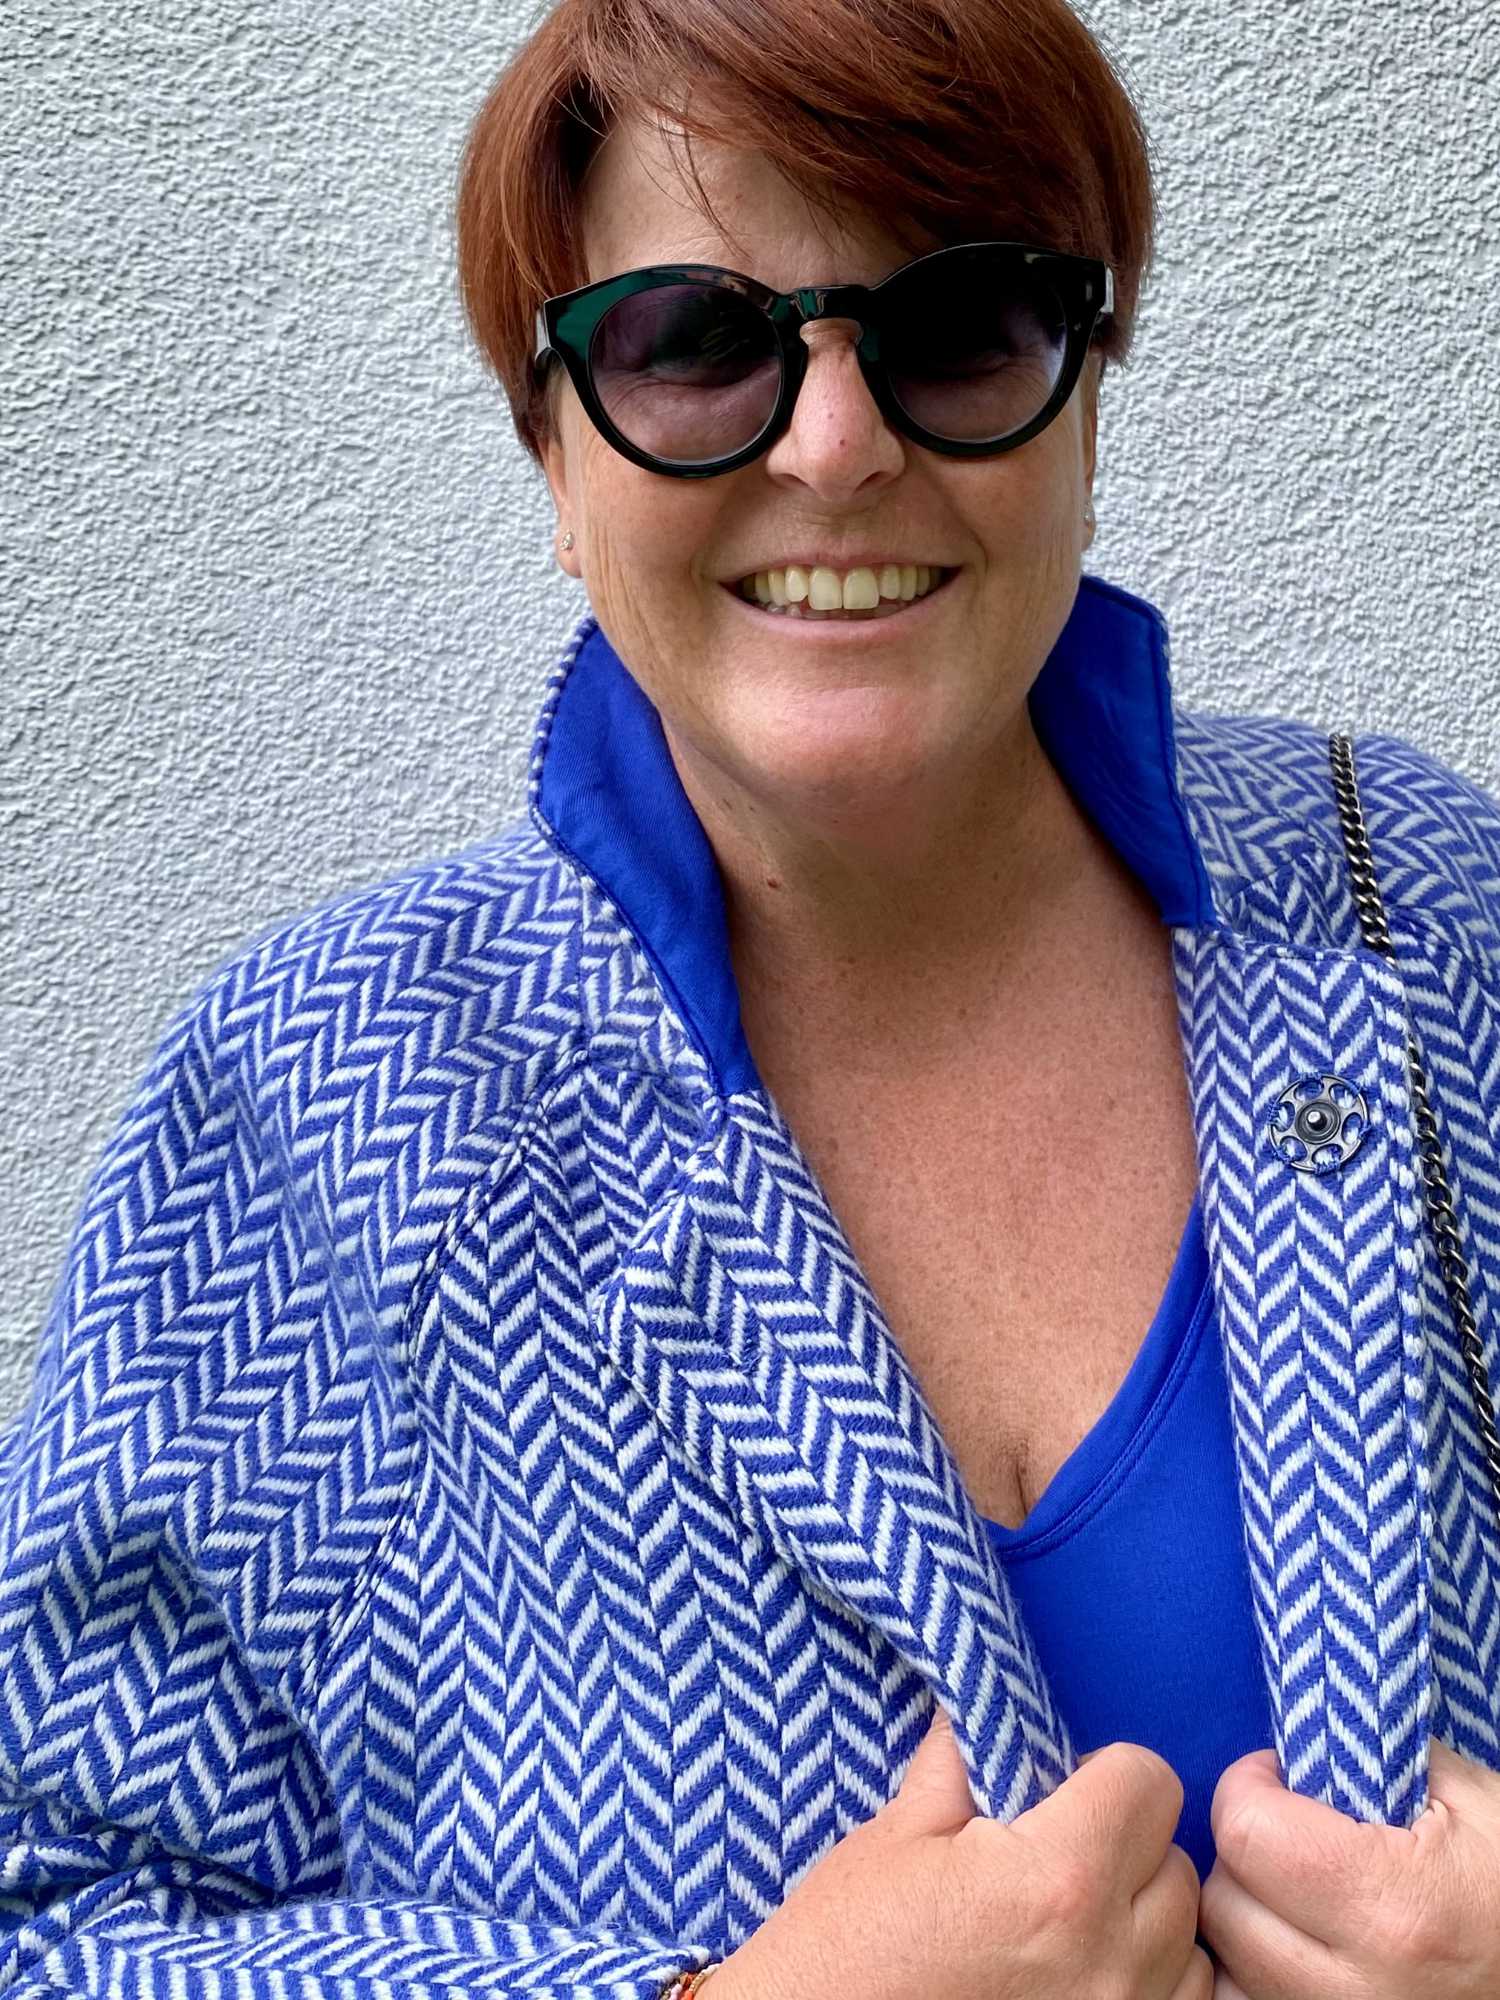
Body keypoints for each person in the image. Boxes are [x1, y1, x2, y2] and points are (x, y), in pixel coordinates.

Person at [3, 0, 1499, 1993]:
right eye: (692, 343)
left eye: (960, 323)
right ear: (555, 450)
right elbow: (57, 1911)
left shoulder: (1429, 917)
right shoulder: (312, 1102)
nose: (836, 444)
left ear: (1084, 402)